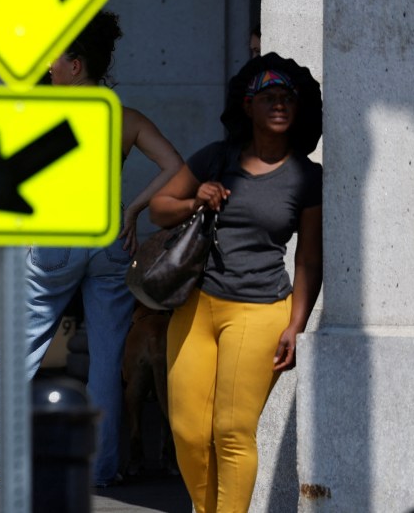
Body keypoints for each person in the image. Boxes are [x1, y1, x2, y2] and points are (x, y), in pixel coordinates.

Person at [0, 10, 184, 489]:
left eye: (55, 59)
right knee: (107, 363)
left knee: (18, 354)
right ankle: (100, 468)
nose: (48, 67)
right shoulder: (124, 118)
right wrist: (134, 211)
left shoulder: (44, 111)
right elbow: (174, 165)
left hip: (56, 237)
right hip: (110, 236)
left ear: (76, 64)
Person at [148, 52, 322, 513]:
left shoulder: (307, 177)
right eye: (268, 97)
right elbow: (159, 208)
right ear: (248, 105)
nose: (279, 104)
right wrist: (196, 199)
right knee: (188, 431)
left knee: (231, 431)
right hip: (197, 305)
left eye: (287, 97)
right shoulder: (217, 158)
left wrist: (296, 325)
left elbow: (308, 258)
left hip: (261, 311)